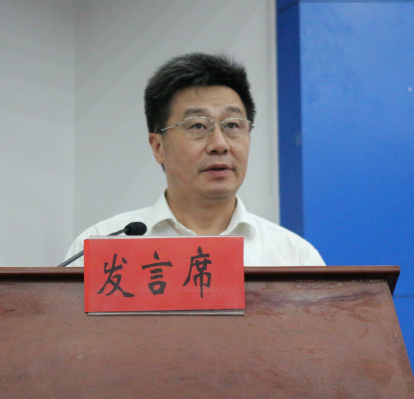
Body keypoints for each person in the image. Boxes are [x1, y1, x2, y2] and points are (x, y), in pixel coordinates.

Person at [64, 52, 324, 267]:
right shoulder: (100, 247)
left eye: (232, 125)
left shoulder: (294, 257)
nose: (220, 144)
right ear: (158, 146)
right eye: (198, 126)